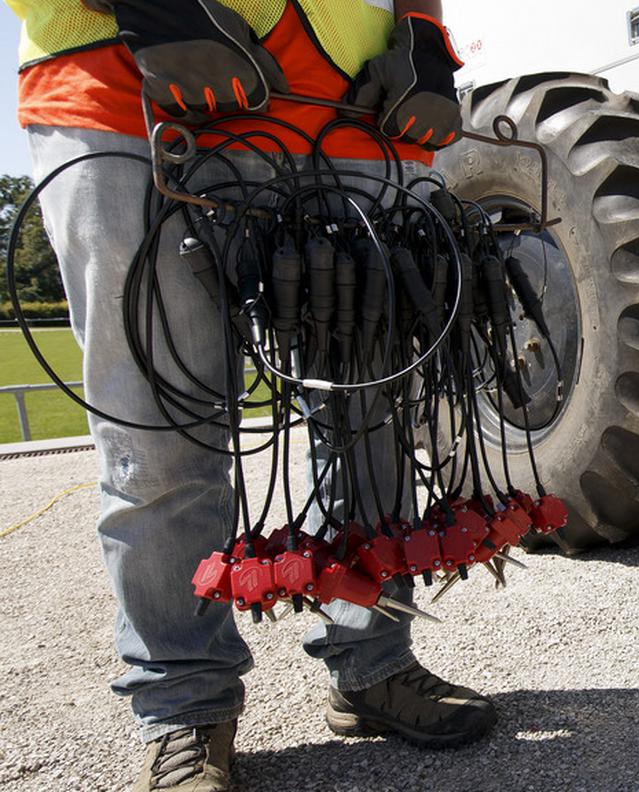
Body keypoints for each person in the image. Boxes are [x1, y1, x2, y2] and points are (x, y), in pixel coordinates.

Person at [7, 1, 492, 789]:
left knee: (371, 417)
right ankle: (186, 710)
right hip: (136, 83)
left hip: (355, 110)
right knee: (160, 440)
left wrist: (425, 34)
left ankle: (372, 665)